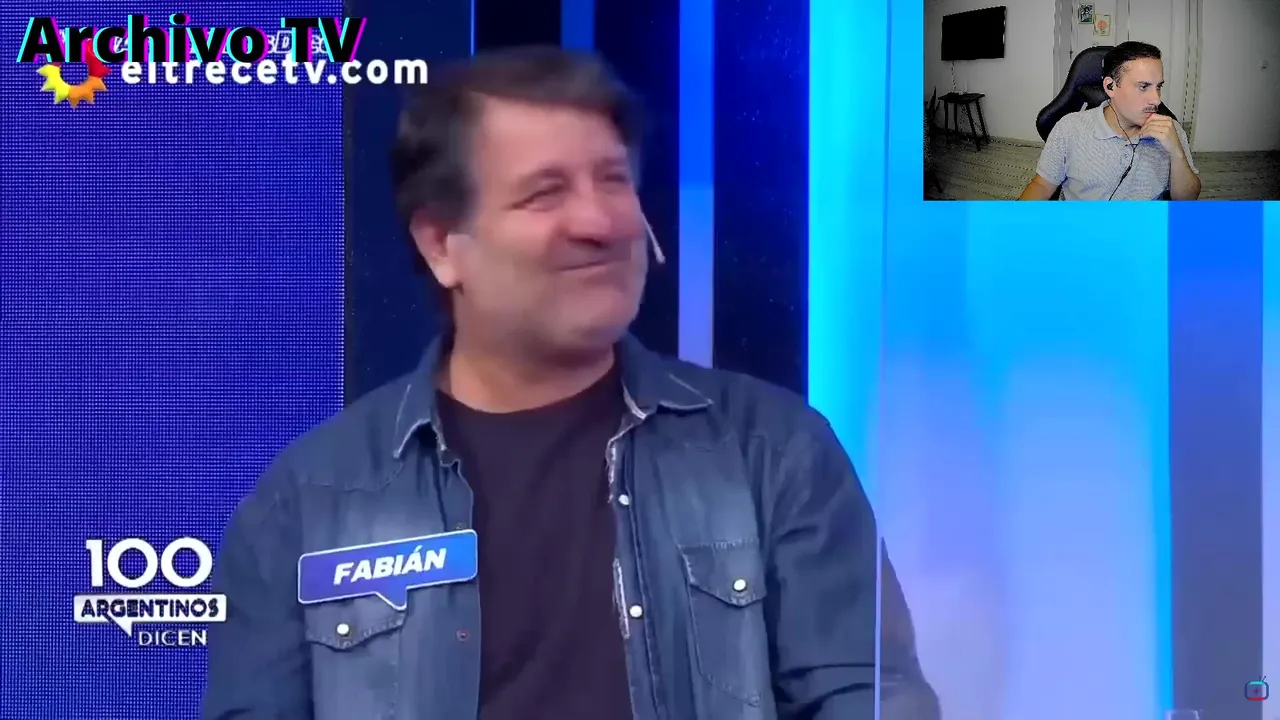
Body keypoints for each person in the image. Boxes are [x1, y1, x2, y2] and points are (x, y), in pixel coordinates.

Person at [203, 45, 939, 720]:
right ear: (441, 245)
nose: (600, 221)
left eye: (613, 180)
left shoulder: (771, 452)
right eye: (544, 193)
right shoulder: (310, 501)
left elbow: (871, 702)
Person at [1019, 41, 1201, 200]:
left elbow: (1187, 200)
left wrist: (1177, 152)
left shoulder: (1170, 130)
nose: (1156, 100)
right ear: (1110, 86)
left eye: (1158, 87)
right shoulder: (1070, 127)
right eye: (1143, 86)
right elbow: (1041, 186)